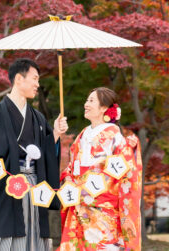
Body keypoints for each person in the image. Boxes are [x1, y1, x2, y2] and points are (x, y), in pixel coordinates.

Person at [0, 58, 69, 251]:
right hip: (3, 187)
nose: (37, 84)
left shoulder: (38, 118)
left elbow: (47, 152)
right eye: (34, 79)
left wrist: (56, 134)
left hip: (33, 187)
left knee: (32, 236)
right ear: (19, 78)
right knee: (2, 234)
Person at [59, 87, 143, 251]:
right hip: (78, 205)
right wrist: (69, 180)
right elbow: (72, 166)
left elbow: (120, 175)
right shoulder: (83, 134)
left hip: (102, 207)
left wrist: (86, 190)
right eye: (86, 100)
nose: (86, 104)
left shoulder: (116, 138)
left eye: (91, 101)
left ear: (104, 108)